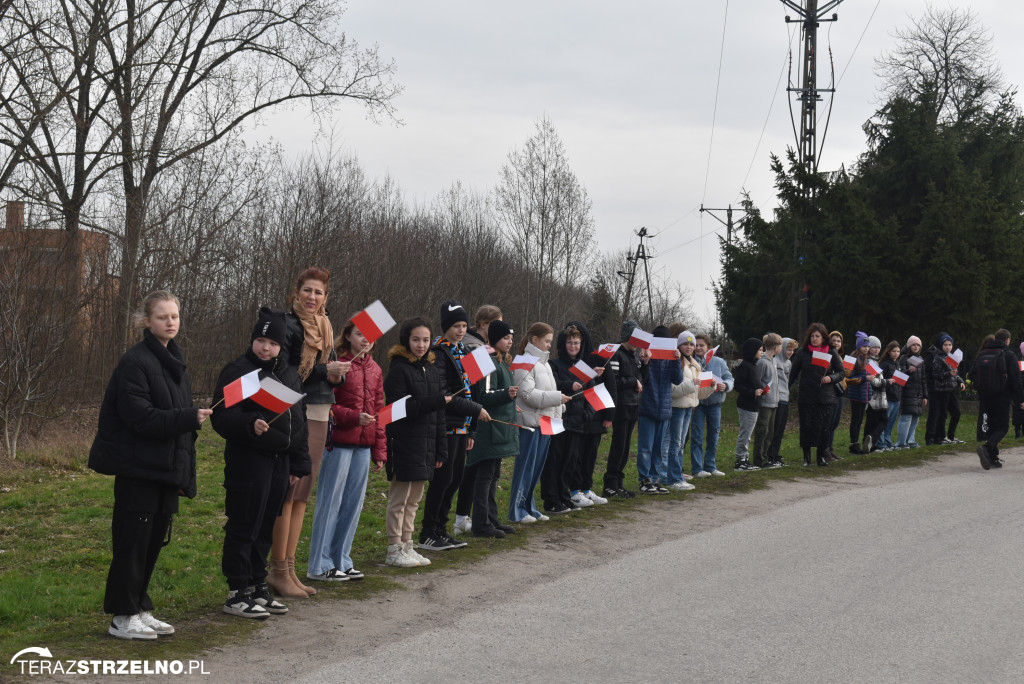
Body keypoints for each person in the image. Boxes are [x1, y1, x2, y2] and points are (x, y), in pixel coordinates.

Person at [89, 291, 212, 640]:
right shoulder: (135, 362)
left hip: (165, 469)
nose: (170, 322)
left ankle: (140, 606)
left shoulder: (175, 361)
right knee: (132, 543)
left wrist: (185, 463)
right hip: (137, 469)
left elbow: (175, 418)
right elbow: (139, 418)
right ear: (146, 321)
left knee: (154, 541)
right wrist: (189, 417)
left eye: (174, 316)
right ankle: (122, 617)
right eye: (162, 317)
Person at [212, 308, 311, 618]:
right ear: (253, 340)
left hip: (280, 464)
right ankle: (237, 591)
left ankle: (258, 585)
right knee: (245, 524)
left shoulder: (289, 374)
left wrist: (298, 464)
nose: (265, 348)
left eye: (273, 343)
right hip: (248, 461)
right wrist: (249, 423)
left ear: (282, 347)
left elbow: (300, 422)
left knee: (267, 526)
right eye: (260, 340)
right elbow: (222, 416)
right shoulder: (238, 371)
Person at [276, 267, 348, 597]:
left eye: (318, 292)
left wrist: (336, 375)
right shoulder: (286, 326)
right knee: (288, 493)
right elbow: (286, 375)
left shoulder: (326, 326)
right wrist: (324, 371)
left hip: (320, 411)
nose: (312, 297)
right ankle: (277, 569)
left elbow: (328, 373)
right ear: (296, 292)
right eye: (307, 290)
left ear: (325, 298)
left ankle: (290, 569)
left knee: (302, 494)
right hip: (294, 411)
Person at [306, 318, 386, 583]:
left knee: (353, 505)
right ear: (348, 335)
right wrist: (354, 417)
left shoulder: (376, 369)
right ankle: (319, 564)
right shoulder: (339, 364)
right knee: (330, 504)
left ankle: (342, 560)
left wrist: (380, 450)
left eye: (370, 335)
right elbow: (327, 406)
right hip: (338, 444)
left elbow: (379, 410)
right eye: (360, 333)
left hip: (364, 446)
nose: (365, 339)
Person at [419, 299, 489, 551]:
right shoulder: (438, 352)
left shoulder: (465, 351)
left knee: (456, 478)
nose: (460, 330)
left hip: (463, 426)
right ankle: (428, 531)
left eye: (464, 325)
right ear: (446, 326)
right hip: (445, 424)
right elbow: (446, 394)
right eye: (456, 325)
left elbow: (473, 389)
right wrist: (474, 410)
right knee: (443, 479)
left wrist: (472, 428)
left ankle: (442, 528)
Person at [382, 317, 446, 568]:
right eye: (416, 339)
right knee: (399, 499)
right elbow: (399, 409)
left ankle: (407, 544)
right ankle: (393, 548)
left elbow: (439, 415)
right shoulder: (398, 369)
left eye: (426, 340)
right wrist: (435, 402)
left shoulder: (431, 369)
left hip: (426, 445)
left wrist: (440, 448)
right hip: (404, 442)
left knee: (414, 499)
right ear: (406, 341)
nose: (421, 345)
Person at [509, 322, 570, 522]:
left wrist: (560, 405)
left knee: (536, 468)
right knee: (525, 467)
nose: (549, 346)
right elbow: (527, 394)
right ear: (535, 339)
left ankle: (529, 506)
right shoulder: (523, 362)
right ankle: (517, 511)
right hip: (528, 423)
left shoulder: (545, 364)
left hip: (545, 423)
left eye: (551, 342)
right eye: (547, 341)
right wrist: (557, 398)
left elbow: (547, 393)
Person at [546, 321, 609, 512]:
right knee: (555, 461)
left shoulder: (585, 367)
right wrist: (570, 385)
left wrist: (587, 416)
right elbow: (553, 385)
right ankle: (551, 499)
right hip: (559, 420)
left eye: (576, 343)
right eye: (570, 343)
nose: (573, 346)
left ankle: (565, 497)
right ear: (563, 344)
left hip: (578, 422)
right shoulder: (553, 364)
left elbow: (592, 395)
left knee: (570, 462)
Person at [464, 319, 519, 537]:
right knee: (484, 477)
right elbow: (485, 396)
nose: (509, 342)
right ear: (495, 339)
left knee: (494, 475)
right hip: (489, 429)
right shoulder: (487, 362)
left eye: (511, 339)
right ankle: (481, 523)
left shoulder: (504, 361)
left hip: (500, 430)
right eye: (506, 338)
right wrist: (507, 394)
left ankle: (492, 519)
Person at [453, 304, 502, 532]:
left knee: (472, 469)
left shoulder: (483, 347)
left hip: (475, 414)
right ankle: (462, 516)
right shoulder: (475, 348)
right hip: (471, 414)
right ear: (484, 324)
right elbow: (474, 386)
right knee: (469, 469)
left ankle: (466, 516)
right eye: (496, 323)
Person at [602, 320, 649, 498]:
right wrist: (631, 381)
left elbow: (643, 380)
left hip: (634, 404)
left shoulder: (636, 355)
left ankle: (619, 483)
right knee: (618, 445)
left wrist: (645, 363)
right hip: (621, 405)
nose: (638, 343)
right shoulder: (616, 354)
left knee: (626, 446)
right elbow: (612, 381)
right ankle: (610, 484)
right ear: (628, 336)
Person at [789, 322, 846, 467]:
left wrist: (831, 378)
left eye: (818, 336)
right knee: (806, 426)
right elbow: (793, 373)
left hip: (826, 397)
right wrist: (785, 389)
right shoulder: (802, 352)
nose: (815, 339)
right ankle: (806, 457)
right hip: (807, 396)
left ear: (823, 338)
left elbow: (841, 372)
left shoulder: (831, 352)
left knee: (824, 428)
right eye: (813, 336)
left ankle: (821, 456)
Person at [637, 325, 683, 491]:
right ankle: (644, 480)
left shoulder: (671, 358)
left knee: (658, 449)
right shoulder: (645, 356)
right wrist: (646, 362)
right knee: (645, 448)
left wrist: (677, 360)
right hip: (647, 408)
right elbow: (643, 379)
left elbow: (677, 380)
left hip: (664, 410)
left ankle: (654, 478)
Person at [972, 329, 1024, 469]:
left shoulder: (982, 354)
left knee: (992, 426)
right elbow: (1016, 380)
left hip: (985, 397)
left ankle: (992, 457)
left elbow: (972, 374)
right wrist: (1020, 400)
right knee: (1002, 427)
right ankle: (986, 448)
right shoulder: (1008, 354)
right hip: (1002, 397)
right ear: (1007, 340)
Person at [691, 333, 733, 478]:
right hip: (698, 404)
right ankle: (697, 469)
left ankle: (710, 466)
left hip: (715, 404)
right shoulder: (690, 362)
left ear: (709, 347)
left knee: (713, 436)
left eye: (701, 345)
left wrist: (726, 385)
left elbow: (729, 377)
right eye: (696, 345)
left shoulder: (719, 362)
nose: (698, 348)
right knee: (697, 436)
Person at [666, 328, 700, 489]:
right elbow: (673, 390)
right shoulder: (677, 363)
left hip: (689, 408)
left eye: (691, 344)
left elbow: (697, 390)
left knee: (680, 444)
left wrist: (711, 386)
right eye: (685, 344)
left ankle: (677, 475)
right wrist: (692, 385)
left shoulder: (694, 364)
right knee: (676, 443)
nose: (688, 347)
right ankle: (673, 478)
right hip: (677, 408)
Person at [733, 337, 765, 471]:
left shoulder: (754, 365)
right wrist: (753, 392)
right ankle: (740, 460)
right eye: (760, 350)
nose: (762, 353)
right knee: (745, 433)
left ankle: (745, 459)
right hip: (746, 405)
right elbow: (738, 385)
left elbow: (754, 383)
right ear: (752, 351)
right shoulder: (745, 366)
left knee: (748, 434)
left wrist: (762, 391)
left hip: (754, 405)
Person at [929, 332, 965, 445]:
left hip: (952, 389)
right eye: (945, 345)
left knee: (957, 413)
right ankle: (941, 437)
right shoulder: (938, 358)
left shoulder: (952, 357)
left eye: (950, 345)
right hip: (942, 390)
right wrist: (948, 374)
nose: (948, 347)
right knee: (943, 414)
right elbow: (936, 376)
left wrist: (960, 381)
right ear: (941, 346)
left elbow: (955, 373)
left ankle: (951, 436)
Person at [753, 333, 783, 468]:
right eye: (781, 346)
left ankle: (765, 457)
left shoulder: (774, 361)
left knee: (770, 432)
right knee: (762, 431)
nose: (781, 349)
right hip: (765, 403)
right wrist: (761, 390)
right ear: (776, 347)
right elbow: (757, 381)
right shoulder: (762, 362)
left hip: (774, 402)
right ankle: (759, 459)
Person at [768, 338, 797, 466]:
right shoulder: (774, 361)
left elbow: (788, 380)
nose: (790, 352)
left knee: (780, 429)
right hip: (776, 399)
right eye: (788, 349)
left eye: (792, 350)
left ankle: (776, 453)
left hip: (785, 398)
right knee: (774, 428)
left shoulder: (789, 363)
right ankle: (770, 455)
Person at [896, 336, 928, 449]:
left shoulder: (921, 360)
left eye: (918, 345)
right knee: (906, 419)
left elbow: (924, 379)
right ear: (909, 346)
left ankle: (911, 440)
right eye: (914, 345)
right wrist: (908, 372)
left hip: (918, 394)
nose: (916, 347)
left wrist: (925, 395)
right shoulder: (904, 359)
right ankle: (901, 442)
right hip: (907, 393)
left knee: (915, 418)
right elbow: (899, 378)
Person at [846, 332, 871, 454]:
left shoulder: (866, 360)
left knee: (860, 420)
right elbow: (849, 378)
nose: (866, 348)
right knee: (855, 421)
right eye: (864, 346)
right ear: (859, 346)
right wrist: (867, 379)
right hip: (856, 395)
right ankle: (853, 445)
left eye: (867, 346)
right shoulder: (853, 359)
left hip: (864, 395)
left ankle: (856, 443)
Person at [876, 341, 903, 451]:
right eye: (894, 351)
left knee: (891, 422)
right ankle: (880, 443)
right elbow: (881, 380)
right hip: (887, 397)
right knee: (884, 421)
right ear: (888, 352)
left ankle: (888, 442)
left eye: (898, 351)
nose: (896, 353)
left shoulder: (897, 364)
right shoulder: (884, 364)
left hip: (897, 397)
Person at [825, 330, 846, 462]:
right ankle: (825, 449)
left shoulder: (841, 358)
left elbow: (843, 376)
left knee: (835, 423)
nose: (836, 343)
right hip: (830, 392)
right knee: (829, 422)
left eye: (839, 341)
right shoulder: (828, 356)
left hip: (840, 392)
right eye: (834, 341)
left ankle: (830, 448)